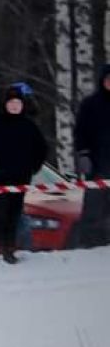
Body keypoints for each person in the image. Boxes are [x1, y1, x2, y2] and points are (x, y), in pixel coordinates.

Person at [0, 83, 48, 264]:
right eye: (11, 103)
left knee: (14, 213)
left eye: (18, 103)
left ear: (22, 105)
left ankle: (9, 247)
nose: (14, 106)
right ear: (5, 105)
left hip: (21, 176)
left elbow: (42, 148)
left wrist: (34, 166)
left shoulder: (29, 125)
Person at [73, 64, 110, 248]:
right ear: (102, 81)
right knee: (95, 208)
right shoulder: (90, 104)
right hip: (97, 165)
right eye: (108, 80)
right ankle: (91, 246)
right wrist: (83, 154)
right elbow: (80, 132)